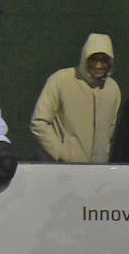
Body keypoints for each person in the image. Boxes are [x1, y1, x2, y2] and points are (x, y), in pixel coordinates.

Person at [29, 33, 121, 163]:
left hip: (97, 172)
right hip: (61, 170)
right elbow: (39, 122)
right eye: (94, 59)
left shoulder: (112, 89)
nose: (98, 65)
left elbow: (109, 130)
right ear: (85, 58)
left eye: (104, 60)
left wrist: (103, 157)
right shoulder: (61, 80)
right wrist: (61, 154)